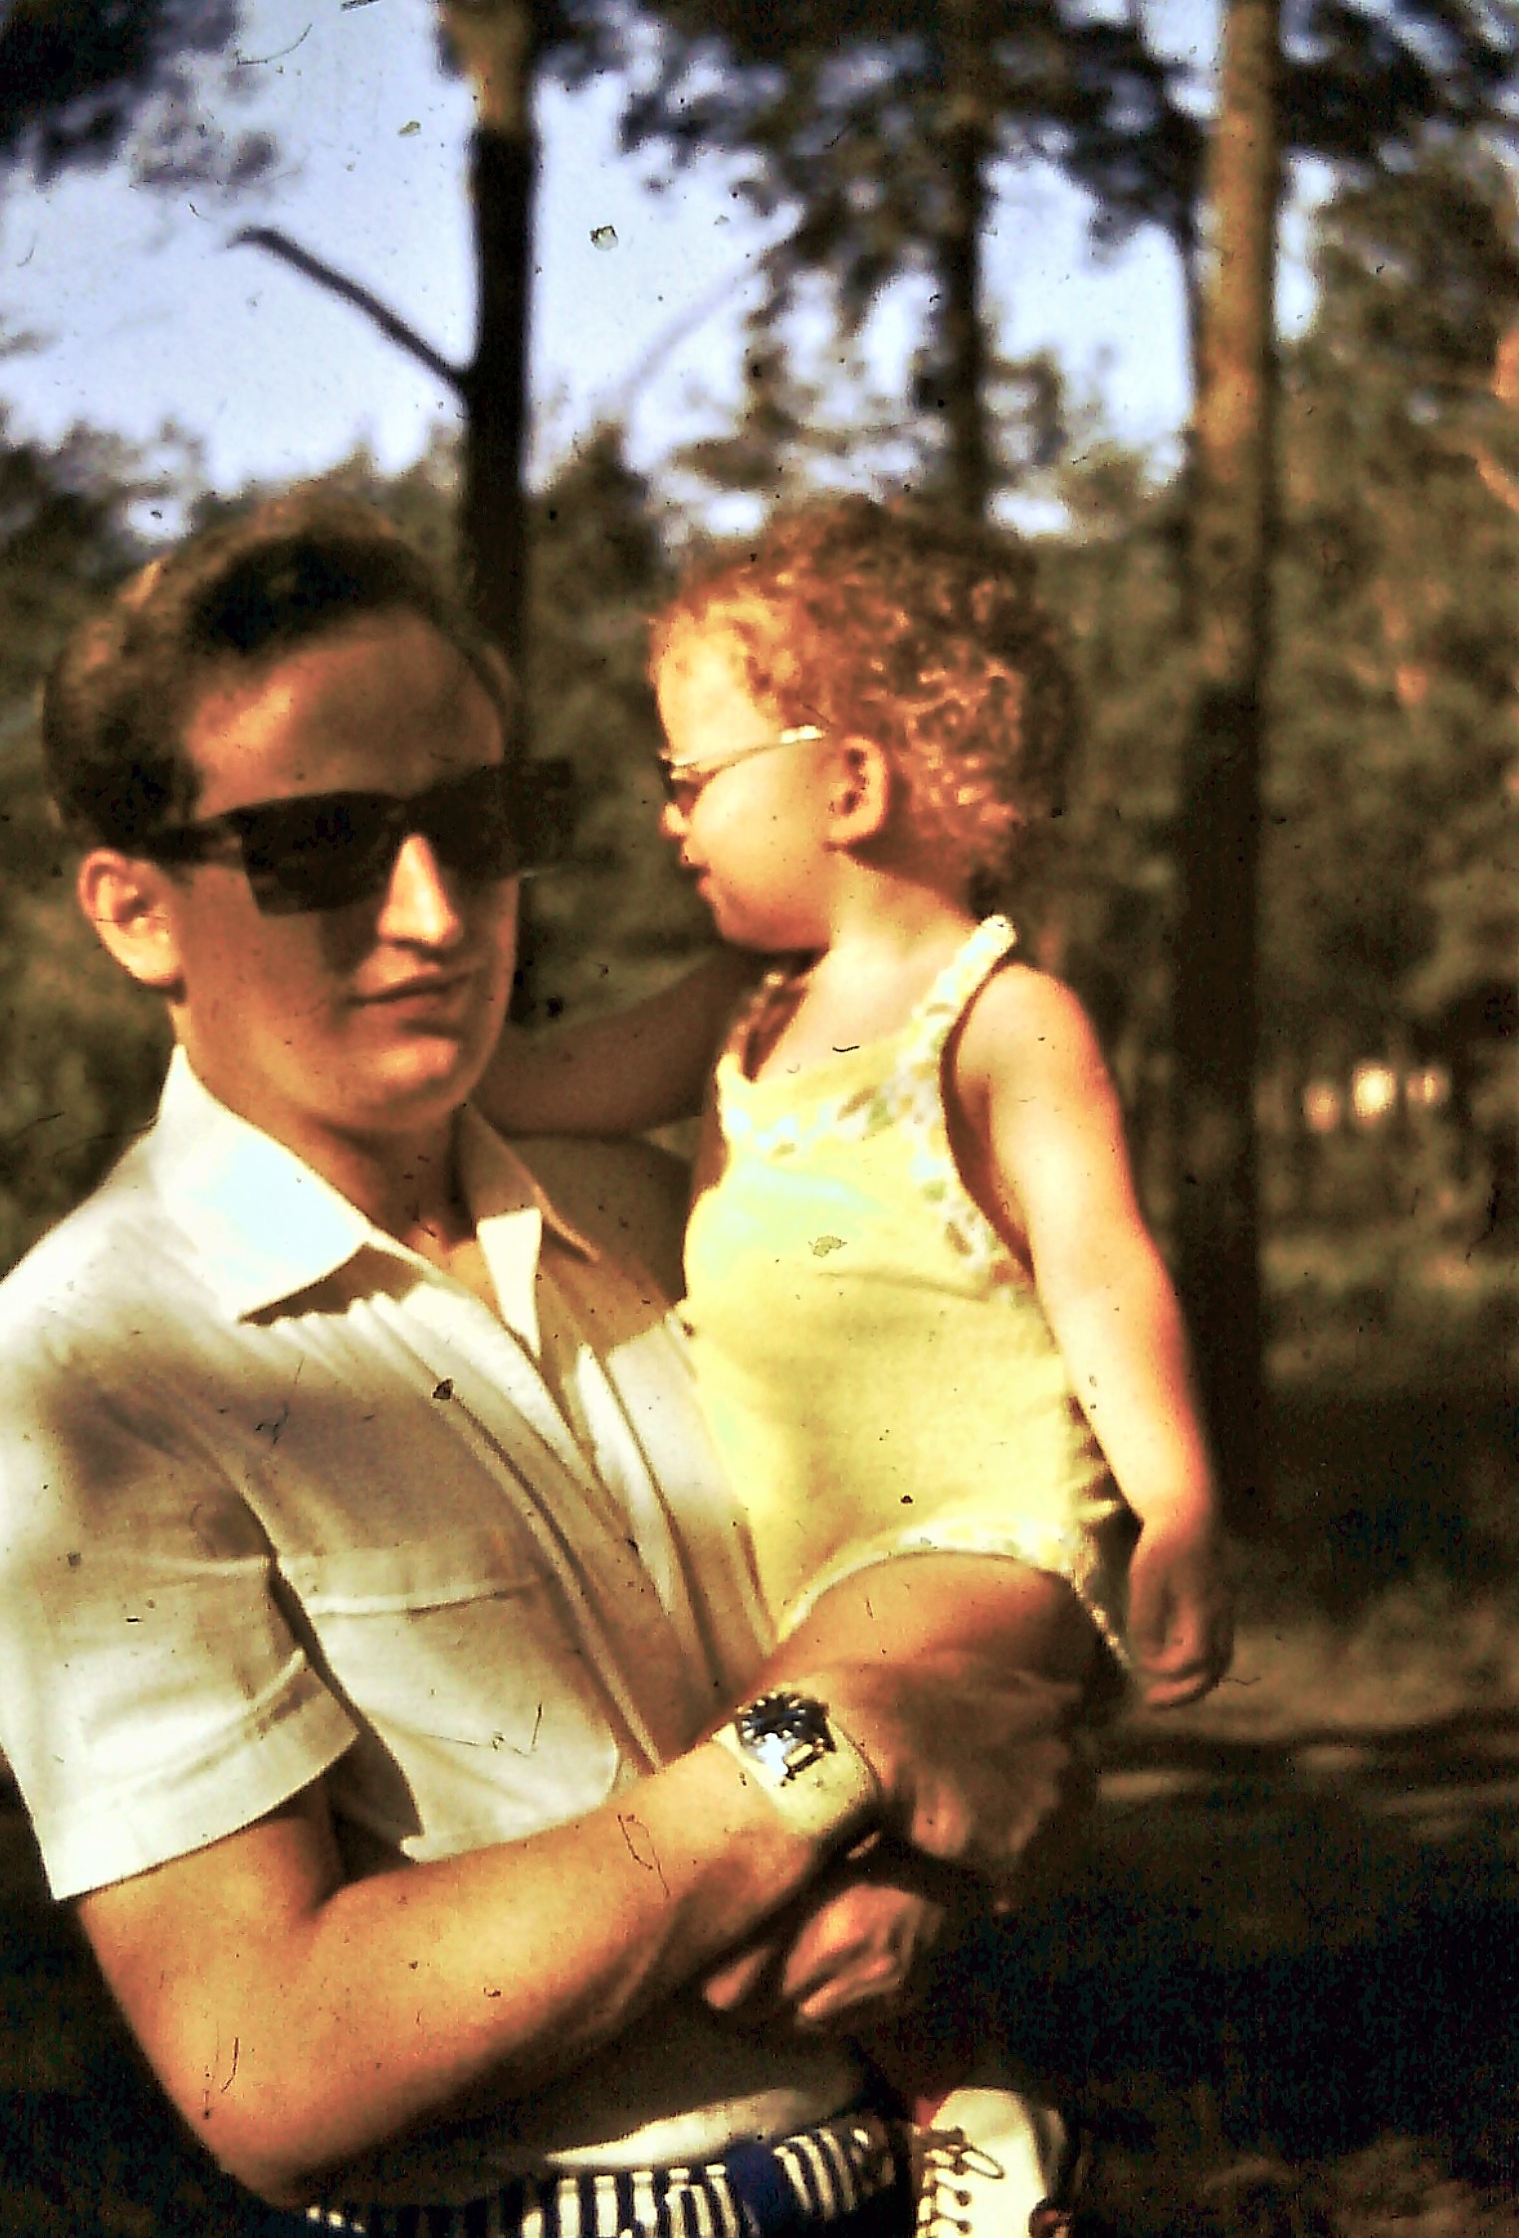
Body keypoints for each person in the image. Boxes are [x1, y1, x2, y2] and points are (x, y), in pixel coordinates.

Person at [0, 491, 1080, 2238]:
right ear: (134, 911)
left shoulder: (686, 1207)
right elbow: (267, 2065)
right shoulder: (81, 1383)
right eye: (321, 846)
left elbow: (994, 1555)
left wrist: (958, 1820)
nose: (437, 912)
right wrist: (822, 1751)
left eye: (479, 825)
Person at [480, 498, 1234, 2229]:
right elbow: (531, 1088)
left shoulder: (999, 1021)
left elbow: (1102, 1271)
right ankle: (974, 2106)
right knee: (758, 1932)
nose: (670, 818)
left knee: (736, 1821)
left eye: (692, 776)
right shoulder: (734, 1013)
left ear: (850, 785)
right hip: (813, 1585)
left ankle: (966, 2000)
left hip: (978, 1546)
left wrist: (1182, 1503)